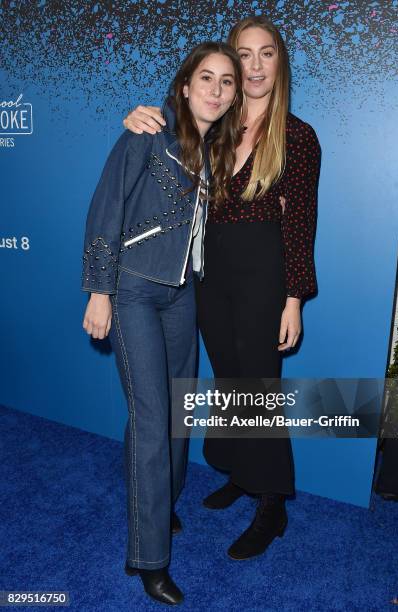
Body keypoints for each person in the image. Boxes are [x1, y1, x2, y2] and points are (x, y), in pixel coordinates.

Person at [124, 16, 321, 561]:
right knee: (230, 379)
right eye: (245, 55)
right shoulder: (215, 125)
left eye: (266, 54)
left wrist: (294, 299)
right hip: (209, 274)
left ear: (279, 62)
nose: (255, 65)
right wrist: (142, 116)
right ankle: (242, 472)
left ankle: (273, 501)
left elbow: (302, 222)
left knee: (258, 387)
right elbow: (169, 133)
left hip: (264, 275)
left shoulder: (298, 136)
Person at [81, 42, 243, 605]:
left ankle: (159, 506)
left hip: (182, 297)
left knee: (178, 415)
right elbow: (106, 211)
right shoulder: (146, 134)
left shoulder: (216, 150)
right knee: (151, 420)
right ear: (184, 85)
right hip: (132, 292)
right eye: (207, 78)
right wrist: (100, 292)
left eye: (227, 82)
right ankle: (148, 558)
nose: (217, 90)